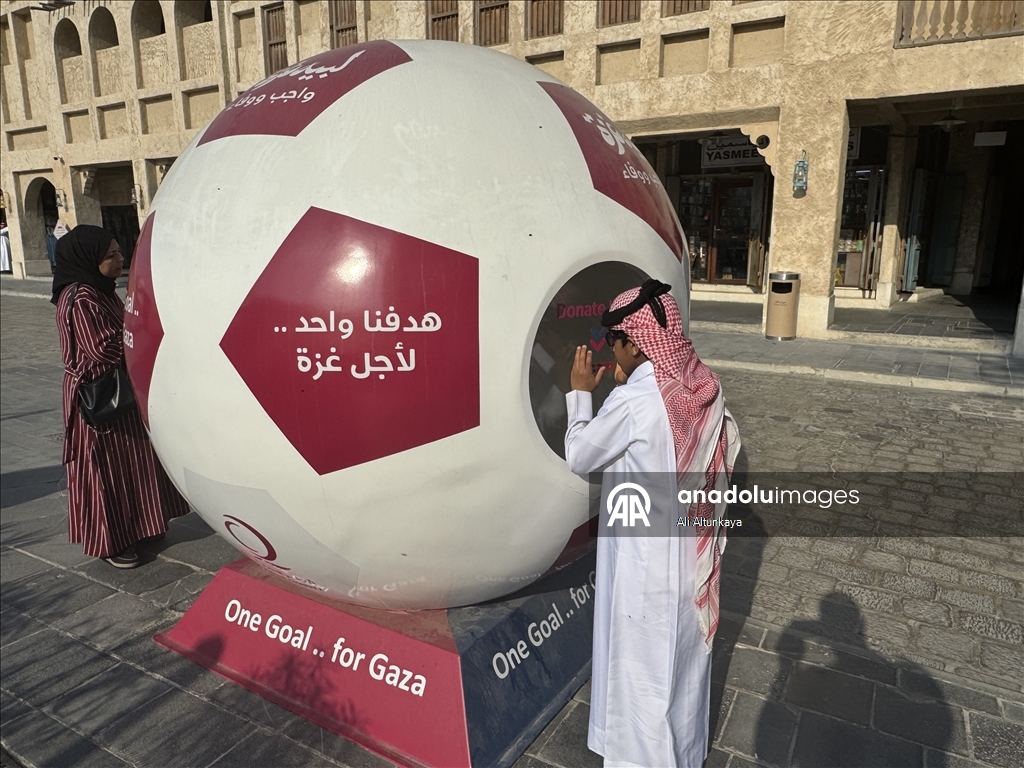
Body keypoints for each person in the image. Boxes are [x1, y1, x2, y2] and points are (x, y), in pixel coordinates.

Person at [564, 278, 740, 767]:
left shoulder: (635, 402)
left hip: (646, 567)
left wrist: (580, 396)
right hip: (688, 556)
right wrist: (630, 382)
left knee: (643, 682)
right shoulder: (699, 381)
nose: (610, 353)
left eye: (615, 344)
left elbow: (580, 455)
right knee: (682, 674)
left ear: (636, 342)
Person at [52, 225, 189, 568]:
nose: (120, 259)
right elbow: (101, 351)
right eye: (110, 255)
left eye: (118, 252)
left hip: (121, 387)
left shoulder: (102, 290)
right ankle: (111, 542)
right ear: (89, 260)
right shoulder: (80, 297)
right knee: (105, 469)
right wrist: (139, 335)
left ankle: (143, 525)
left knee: (134, 460)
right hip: (98, 395)